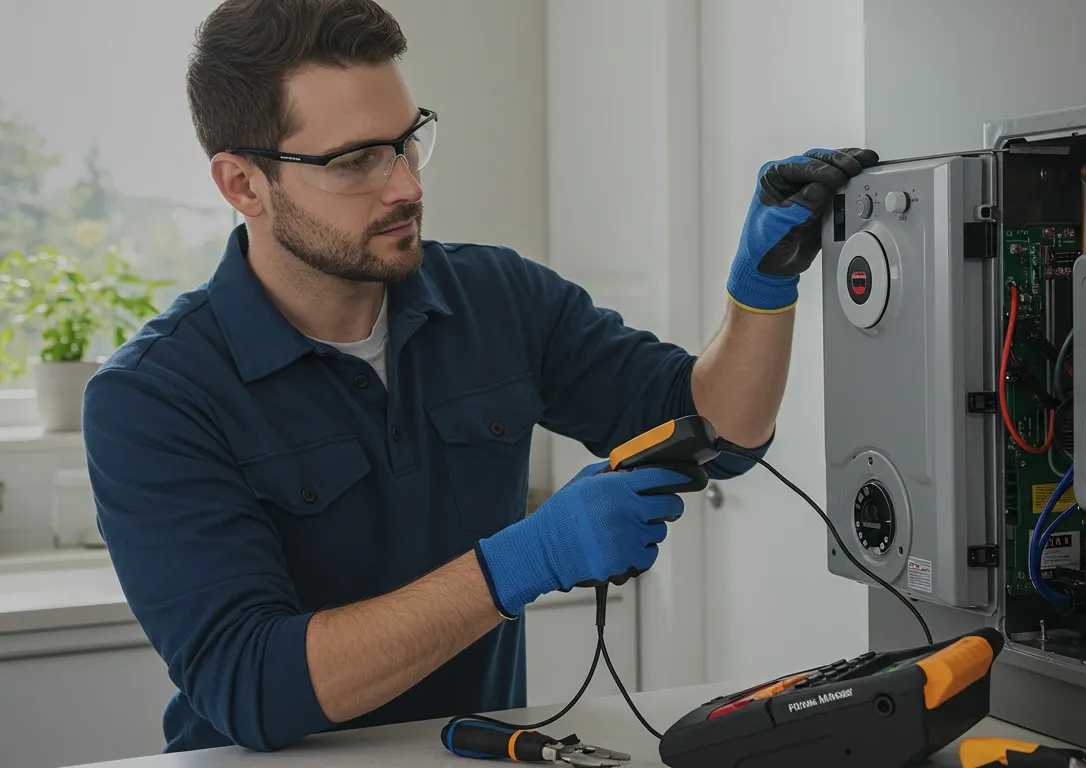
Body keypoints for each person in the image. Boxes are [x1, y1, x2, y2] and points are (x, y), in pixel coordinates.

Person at [81, 0, 878, 755]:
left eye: (407, 139)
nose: (407, 186)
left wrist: (761, 293)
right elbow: (249, 683)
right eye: (356, 160)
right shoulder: (152, 397)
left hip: (468, 755)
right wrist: (519, 562)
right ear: (243, 185)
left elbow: (717, 433)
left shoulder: (501, 299)